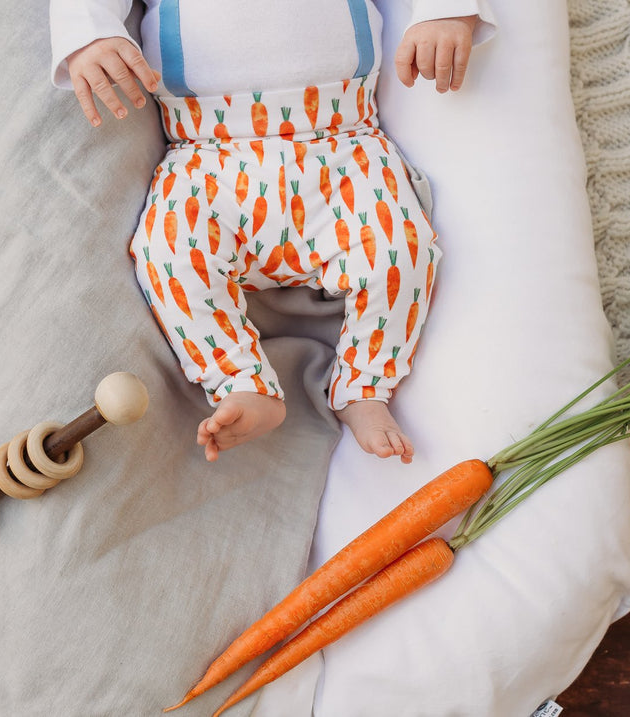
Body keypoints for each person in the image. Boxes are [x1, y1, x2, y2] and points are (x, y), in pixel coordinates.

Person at [50, 1, 495, 463]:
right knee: (168, 254)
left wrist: (446, 12)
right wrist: (90, 34)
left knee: (403, 250)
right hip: (208, 154)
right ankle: (241, 380)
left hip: (343, 143)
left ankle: (364, 385)